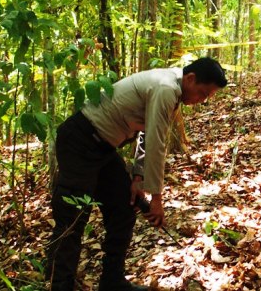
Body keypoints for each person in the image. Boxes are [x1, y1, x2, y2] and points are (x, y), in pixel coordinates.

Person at [45, 57, 228, 291]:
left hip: (103, 148)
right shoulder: (166, 88)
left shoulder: (172, 89)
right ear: (190, 78)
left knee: (124, 207)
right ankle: (60, 285)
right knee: (73, 218)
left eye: (208, 97)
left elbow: (147, 131)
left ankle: (112, 282)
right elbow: (156, 144)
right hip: (80, 141)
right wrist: (157, 199)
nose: (202, 100)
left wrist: (138, 178)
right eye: (203, 93)